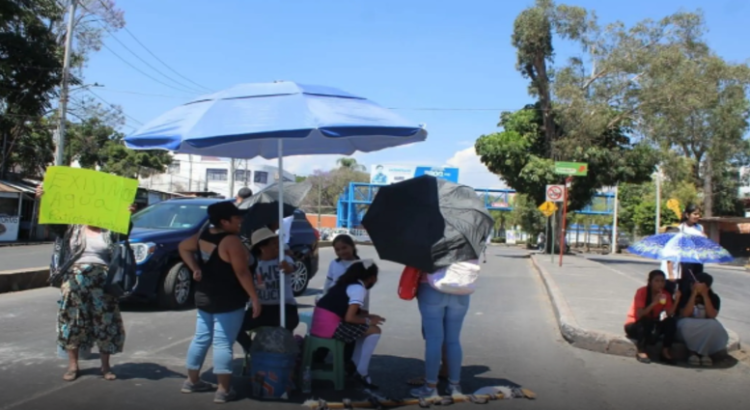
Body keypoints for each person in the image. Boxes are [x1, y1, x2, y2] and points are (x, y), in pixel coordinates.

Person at [35, 185, 134, 382]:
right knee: (72, 322)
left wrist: (128, 215)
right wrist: (42, 199)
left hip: (103, 282)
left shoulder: (110, 229)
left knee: (105, 322)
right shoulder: (72, 227)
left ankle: (105, 367)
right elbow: (50, 219)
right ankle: (73, 366)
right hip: (74, 280)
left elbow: (125, 234)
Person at [178, 201, 261, 403]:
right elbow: (241, 272)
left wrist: (195, 267)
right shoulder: (231, 241)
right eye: (236, 218)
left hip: (204, 296)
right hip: (228, 298)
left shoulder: (202, 235)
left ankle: (192, 381)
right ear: (224, 221)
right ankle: (223, 390)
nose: (240, 220)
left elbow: (183, 247)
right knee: (223, 342)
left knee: (201, 338)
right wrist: (255, 298)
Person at [311, 260, 385, 389]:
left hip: (320, 327)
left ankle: (355, 365)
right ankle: (362, 371)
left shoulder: (345, 285)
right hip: (331, 329)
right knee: (375, 330)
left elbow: (345, 314)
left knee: (366, 330)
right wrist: (368, 321)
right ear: (372, 278)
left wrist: (367, 317)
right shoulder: (358, 289)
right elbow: (350, 318)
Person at [410, 262, 475, 399]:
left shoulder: (429, 240)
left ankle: (430, 387)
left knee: (434, 340)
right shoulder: (469, 242)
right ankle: (455, 385)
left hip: (431, 288)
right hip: (461, 290)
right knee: (453, 341)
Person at [236, 227, 299, 353]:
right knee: (235, 327)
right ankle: (253, 351)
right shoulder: (253, 264)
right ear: (262, 247)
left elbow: (291, 268)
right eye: (273, 244)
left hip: (285, 308)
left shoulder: (283, 259)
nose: (278, 246)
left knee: (286, 331)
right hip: (261, 309)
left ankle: (285, 357)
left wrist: (287, 268)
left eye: (278, 243)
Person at [624, 270, 680, 364]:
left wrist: (677, 300)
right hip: (635, 324)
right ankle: (641, 351)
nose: (660, 284)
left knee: (671, 322)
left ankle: (665, 351)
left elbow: (669, 313)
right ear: (650, 282)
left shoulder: (665, 294)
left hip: (652, 323)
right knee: (645, 320)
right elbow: (640, 314)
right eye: (657, 281)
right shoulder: (642, 292)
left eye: (662, 281)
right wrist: (654, 303)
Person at [677, 272, 728, 367]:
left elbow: (712, 315)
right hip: (688, 321)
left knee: (714, 326)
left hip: (705, 322)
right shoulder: (686, 295)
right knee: (687, 325)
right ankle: (692, 352)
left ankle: (705, 352)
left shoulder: (714, 298)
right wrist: (693, 295)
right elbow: (685, 314)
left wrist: (705, 295)